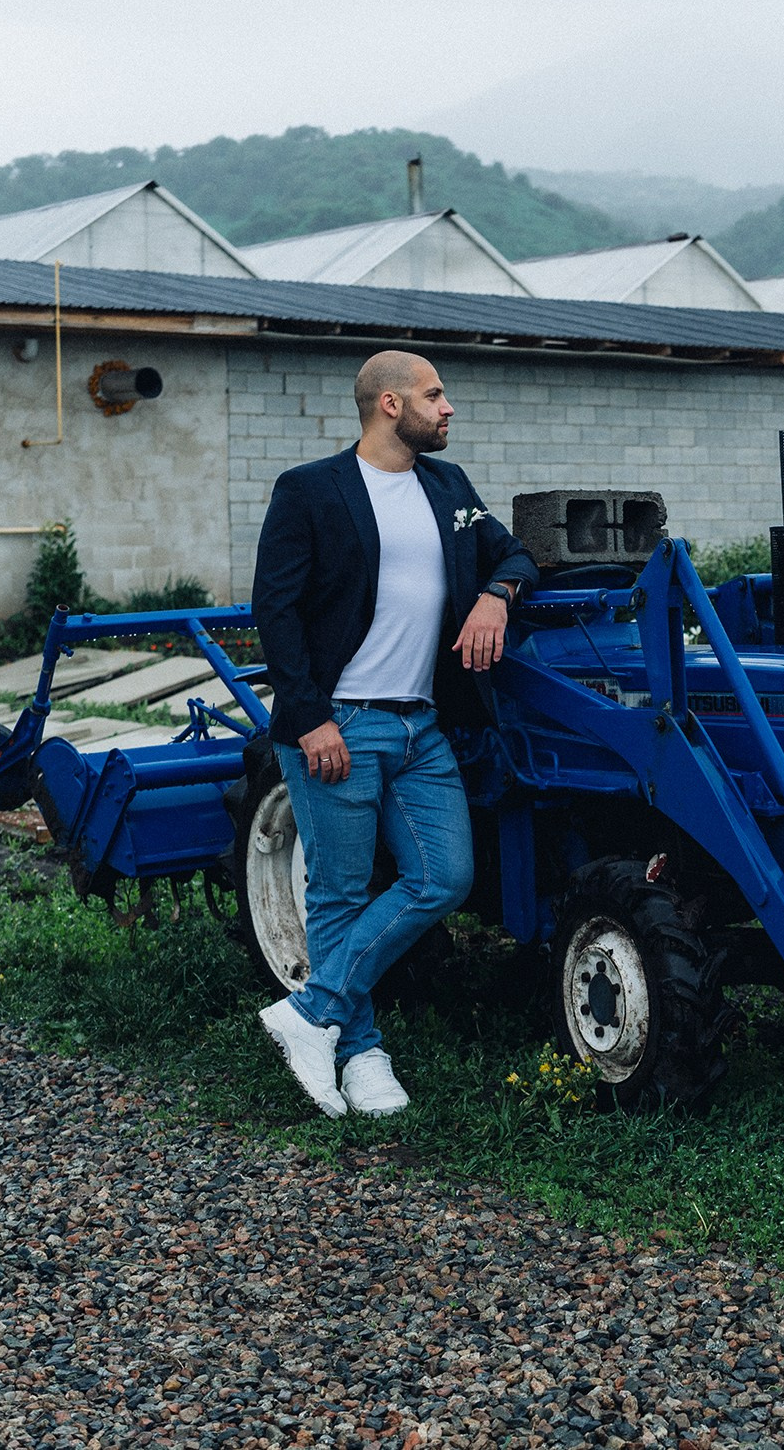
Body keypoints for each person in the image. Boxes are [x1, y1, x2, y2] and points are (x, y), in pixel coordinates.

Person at [249, 350, 537, 1118]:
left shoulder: (449, 487)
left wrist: (496, 598)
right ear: (388, 404)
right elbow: (274, 610)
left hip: (420, 727)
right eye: (434, 395)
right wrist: (309, 718)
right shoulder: (310, 490)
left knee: (445, 876)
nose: (448, 408)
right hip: (339, 720)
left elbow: (513, 551)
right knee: (341, 890)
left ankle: (312, 1013)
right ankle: (362, 1052)